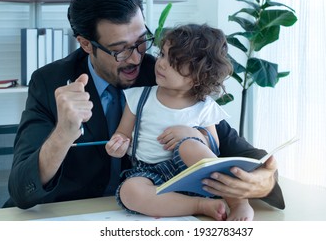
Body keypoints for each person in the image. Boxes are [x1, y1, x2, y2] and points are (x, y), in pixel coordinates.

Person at [4, 0, 285, 211]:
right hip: (77, 213)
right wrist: (64, 133)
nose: (137, 58)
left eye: (141, 42)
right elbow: (21, 188)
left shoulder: (170, 75)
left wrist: (264, 182)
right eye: (120, 49)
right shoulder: (50, 82)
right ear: (86, 44)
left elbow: (242, 152)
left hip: (157, 213)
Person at [106, 24, 254, 221]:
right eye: (162, 55)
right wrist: (118, 144)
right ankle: (201, 205)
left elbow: (214, 146)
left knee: (190, 146)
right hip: (150, 174)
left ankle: (238, 202)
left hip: (193, 174)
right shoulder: (139, 97)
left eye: (174, 62)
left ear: (199, 75)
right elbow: (122, 134)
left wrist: (192, 134)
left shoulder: (204, 106)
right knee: (129, 191)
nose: (161, 64)